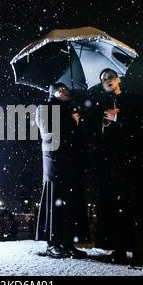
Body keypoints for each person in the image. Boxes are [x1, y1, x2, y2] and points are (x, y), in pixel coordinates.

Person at [86, 68, 143, 265]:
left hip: (132, 162)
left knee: (135, 204)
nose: (106, 81)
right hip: (111, 164)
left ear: (118, 80)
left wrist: (120, 118)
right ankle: (119, 248)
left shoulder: (134, 99)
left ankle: (139, 249)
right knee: (116, 206)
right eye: (103, 79)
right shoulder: (101, 104)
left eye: (109, 77)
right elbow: (96, 134)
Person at [35, 83, 89, 259]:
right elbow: (48, 131)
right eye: (60, 89)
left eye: (66, 89)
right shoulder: (44, 107)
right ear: (52, 92)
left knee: (69, 203)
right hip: (55, 160)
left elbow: (75, 137)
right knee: (55, 199)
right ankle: (52, 243)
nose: (65, 91)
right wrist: (69, 120)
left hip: (70, 163)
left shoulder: (69, 110)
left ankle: (67, 242)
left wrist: (76, 123)